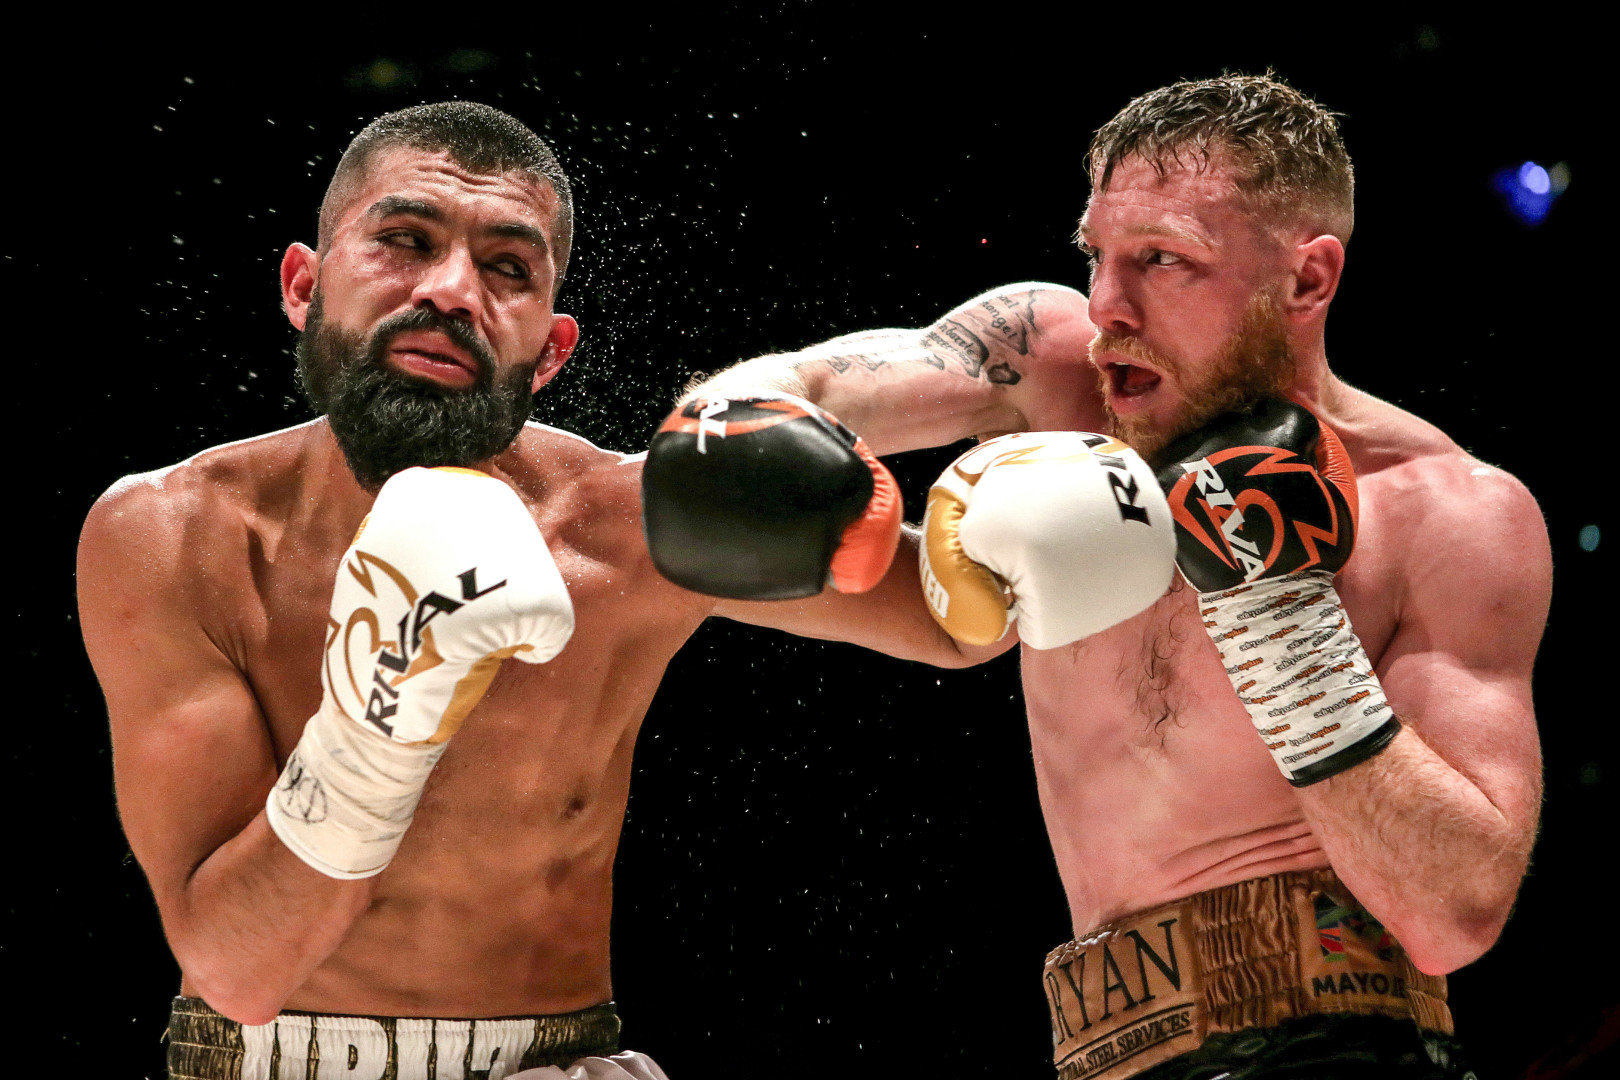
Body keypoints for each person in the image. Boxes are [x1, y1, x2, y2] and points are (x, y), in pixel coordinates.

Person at [647, 74, 1548, 1078]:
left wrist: (1280, 617)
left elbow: (1453, 915)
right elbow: (811, 384)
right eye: (1098, 255)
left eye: (1163, 259)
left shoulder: (1448, 514)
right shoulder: (1056, 367)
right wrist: (732, 420)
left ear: (1306, 281)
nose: (1109, 306)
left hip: (1346, 1054)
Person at [76, 101, 956, 1080]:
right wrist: (382, 708)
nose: (452, 290)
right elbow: (239, 971)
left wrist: (1023, 474)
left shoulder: (633, 525)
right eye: (405, 241)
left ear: (550, 352)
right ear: (303, 285)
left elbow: (965, 619)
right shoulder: (176, 536)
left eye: (507, 268)